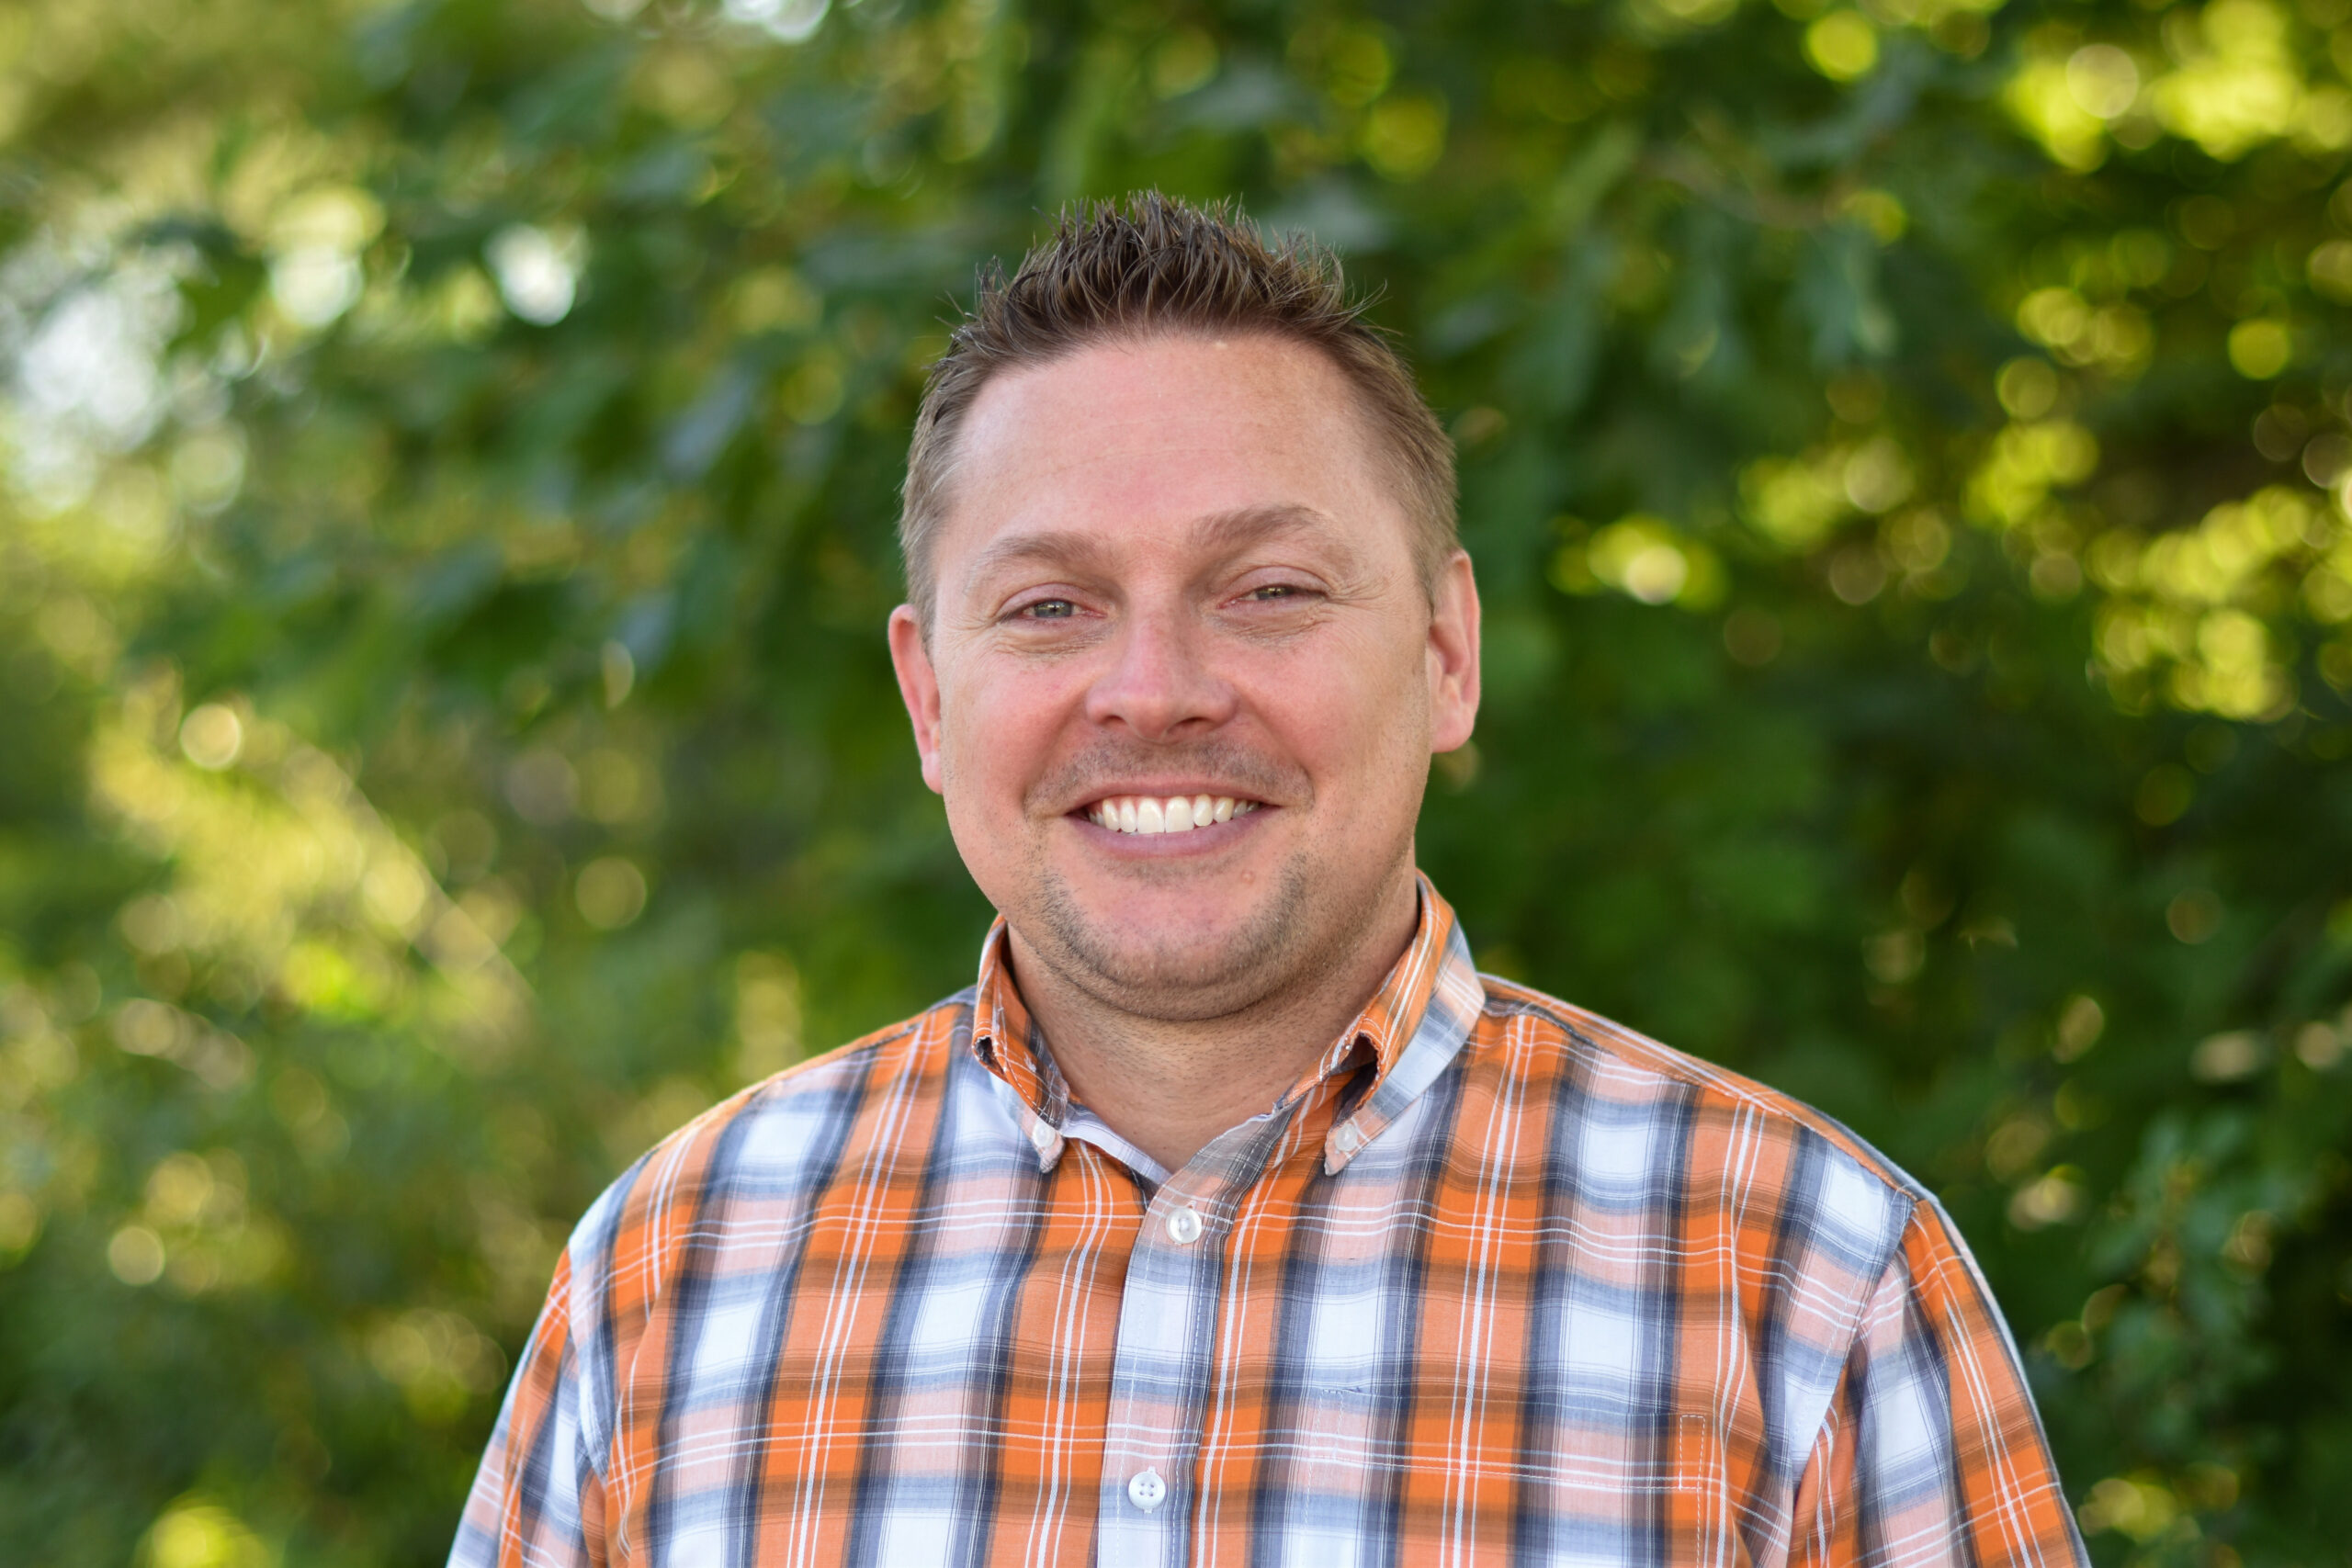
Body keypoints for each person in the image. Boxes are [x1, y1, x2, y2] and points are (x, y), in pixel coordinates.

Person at [450, 193, 2086, 1568]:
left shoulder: (1806, 1282)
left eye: (1270, 588)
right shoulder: (674, 1273)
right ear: (929, 699)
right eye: (1048, 608)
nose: (1153, 690)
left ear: (1447, 657)